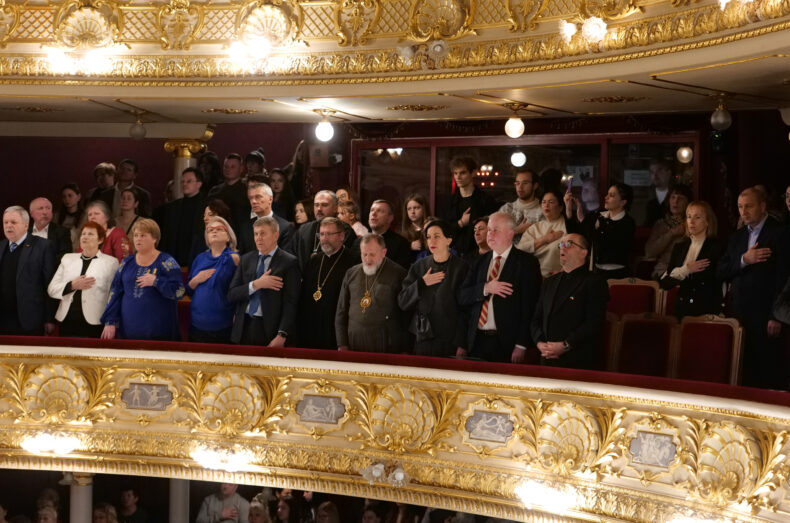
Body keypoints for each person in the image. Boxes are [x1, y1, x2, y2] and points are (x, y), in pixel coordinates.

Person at [717, 187, 789, 389]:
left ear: (763, 206)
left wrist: (776, 316)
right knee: (743, 372)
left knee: (767, 372)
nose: (744, 211)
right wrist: (744, 260)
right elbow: (721, 271)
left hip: (766, 315)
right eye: (740, 207)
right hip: (739, 313)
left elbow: (783, 277)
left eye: (749, 206)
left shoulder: (781, 232)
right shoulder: (736, 236)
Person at [458, 212, 542, 363]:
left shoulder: (527, 263)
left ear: (510, 234)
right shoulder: (479, 262)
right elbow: (463, 296)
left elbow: (530, 307)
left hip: (507, 343)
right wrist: (486, 288)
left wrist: (521, 344)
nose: (490, 234)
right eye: (489, 230)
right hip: (476, 341)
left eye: (495, 230)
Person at [531, 233, 609, 369]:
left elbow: (594, 322)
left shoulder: (595, 282)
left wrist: (565, 345)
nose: (562, 248)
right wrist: (539, 342)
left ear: (584, 252)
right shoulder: (549, 282)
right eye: (561, 244)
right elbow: (536, 318)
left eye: (568, 244)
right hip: (547, 357)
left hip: (578, 360)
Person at [100, 219, 185, 341]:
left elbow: (179, 291)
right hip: (128, 331)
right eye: (136, 235)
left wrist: (156, 281)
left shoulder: (167, 262)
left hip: (160, 332)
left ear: (154, 238)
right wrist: (110, 321)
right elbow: (115, 292)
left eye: (143, 235)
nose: (138, 239)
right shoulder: (126, 263)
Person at [398, 219, 469, 357]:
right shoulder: (418, 266)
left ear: (448, 240)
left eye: (437, 236)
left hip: (450, 340)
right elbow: (403, 301)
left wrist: (462, 343)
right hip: (422, 338)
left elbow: (466, 310)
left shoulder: (461, 268)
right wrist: (421, 283)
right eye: (429, 237)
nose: (432, 241)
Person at [228, 216, 300, 346]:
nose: (258, 238)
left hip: (270, 329)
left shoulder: (289, 262)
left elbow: (291, 303)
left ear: (275, 235)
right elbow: (232, 294)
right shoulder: (246, 259)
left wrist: (282, 334)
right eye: (256, 234)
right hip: (243, 326)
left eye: (263, 233)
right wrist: (256, 284)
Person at [336, 233, 408, 353]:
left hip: (385, 343)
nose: (368, 259)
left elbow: (406, 315)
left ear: (383, 252)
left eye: (372, 254)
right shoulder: (351, 273)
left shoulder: (399, 274)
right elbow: (341, 311)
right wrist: (342, 343)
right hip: (354, 341)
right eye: (364, 254)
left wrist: (405, 349)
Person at [47, 221, 119, 338]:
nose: (85, 237)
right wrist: (72, 285)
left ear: (100, 240)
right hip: (67, 320)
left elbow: (113, 295)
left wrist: (110, 321)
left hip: (95, 321)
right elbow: (51, 289)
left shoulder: (111, 262)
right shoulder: (67, 258)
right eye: (83, 234)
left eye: (90, 234)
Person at [295, 217, 358, 349]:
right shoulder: (313, 261)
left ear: (341, 236)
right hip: (310, 329)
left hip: (334, 331)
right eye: (322, 234)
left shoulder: (353, 262)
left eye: (329, 234)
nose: (324, 239)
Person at [659, 200, 722, 319]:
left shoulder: (716, 247)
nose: (691, 221)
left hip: (706, 310)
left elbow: (717, 281)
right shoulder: (679, 247)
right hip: (681, 309)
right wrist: (686, 269)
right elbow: (665, 282)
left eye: (697, 217)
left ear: (707, 221)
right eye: (689, 217)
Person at [0, 205, 57, 335]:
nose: (8, 226)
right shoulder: (1, 246)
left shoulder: (43, 246)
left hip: (29, 320)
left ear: (26, 225)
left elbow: (49, 284)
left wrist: (49, 318)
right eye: (5, 222)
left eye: (13, 222)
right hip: (2, 319)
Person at [187, 216, 240, 343]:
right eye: (210, 230)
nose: (214, 231)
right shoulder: (199, 258)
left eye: (219, 229)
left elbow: (240, 292)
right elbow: (188, 290)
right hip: (197, 324)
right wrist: (196, 280)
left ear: (228, 237)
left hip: (223, 326)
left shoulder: (234, 259)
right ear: (207, 237)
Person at [567, 182, 636, 280]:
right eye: (607, 194)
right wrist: (569, 209)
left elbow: (602, 243)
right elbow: (578, 235)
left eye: (612, 195)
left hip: (617, 275)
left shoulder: (628, 223)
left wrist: (583, 220)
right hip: (596, 272)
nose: (606, 197)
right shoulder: (599, 215)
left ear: (623, 202)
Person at [443, 156, 499, 258]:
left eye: (462, 173)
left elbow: (494, 229)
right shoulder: (449, 202)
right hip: (454, 256)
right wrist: (461, 223)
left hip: (480, 255)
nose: (458, 177)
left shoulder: (486, 200)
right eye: (455, 173)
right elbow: (443, 230)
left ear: (473, 173)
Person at [292, 190, 355, 270]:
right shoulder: (303, 229)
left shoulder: (344, 230)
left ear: (335, 208)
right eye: (316, 205)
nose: (319, 209)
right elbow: (293, 256)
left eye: (324, 205)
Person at [516, 188, 573, 277]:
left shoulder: (568, 226)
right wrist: (544, 239)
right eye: (543, 202)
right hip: (533, 276)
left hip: (560, 276)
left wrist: (563, 271)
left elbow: (572, 249)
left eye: (551, 202)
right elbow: (519, 250)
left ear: (561, 207)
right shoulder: (535, 227)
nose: (546, 205)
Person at [156, 167, 206, 267]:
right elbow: (167, 236)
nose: (184, 184)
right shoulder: (172, 207)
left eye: (189, 181)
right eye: (183, 182)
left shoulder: (207, 206)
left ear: (199, 184)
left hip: (198, 257)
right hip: (174, 259)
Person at [644, 184, 693, 279]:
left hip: (686, 272)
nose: (676, 201)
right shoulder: (661, 224)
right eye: (673, 197)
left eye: (680, 198)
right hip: (663, 271)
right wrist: (671, 234)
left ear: (688, 202)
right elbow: (649, 252)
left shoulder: (693, 223)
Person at [238, 182, 294, 254]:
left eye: (258, 197)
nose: (253, 201)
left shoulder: (285, 227)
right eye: (251, 198)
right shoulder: (245, 227)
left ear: (270, 199)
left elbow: (286, 258)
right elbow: (242, 256)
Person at [354, 199, 411, 269]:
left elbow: (400, 273)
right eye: (372, 210)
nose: (373, 214)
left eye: (379, 211)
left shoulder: (401, 244)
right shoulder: (358, 242)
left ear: (390, 218)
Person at [208, 153, 252, 233]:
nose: (228, 169)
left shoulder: (248, 191)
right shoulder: (214, 191)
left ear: (241, 169)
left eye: (233, 167)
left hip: (240, 234)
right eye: (226, 166)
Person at [498, 168, 542, 244]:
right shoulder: (507, 209)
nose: (520, 187)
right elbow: (494, 235)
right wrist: (517, 230)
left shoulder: (543, 210)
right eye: (517, 183)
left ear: (535, 186)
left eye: (525, 183)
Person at [54, 183, 86, 250]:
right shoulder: (57, 216)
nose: (67, 199)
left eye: (70, 196)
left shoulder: (85, 216)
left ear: (78, 197)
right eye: (64, 197)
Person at [645, 159, 673, 227]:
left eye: (659, 171)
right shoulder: (645, 195)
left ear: (669, 173)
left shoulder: (676, 195)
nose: (655, 175)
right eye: (652, 172)